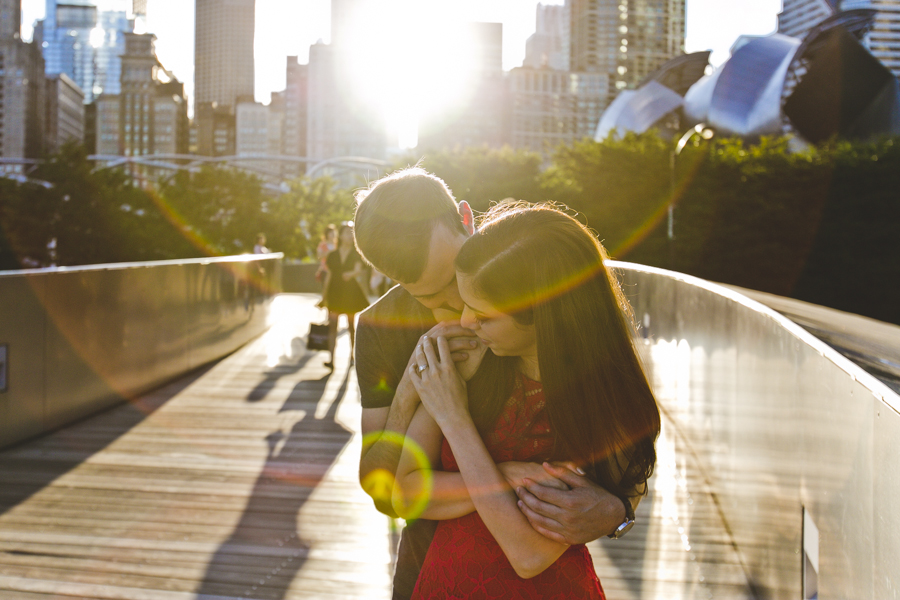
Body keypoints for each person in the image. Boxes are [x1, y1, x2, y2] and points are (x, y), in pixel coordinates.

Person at [353, 168, 640, 600]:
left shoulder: (528, 274)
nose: (460, 309)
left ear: (467, 220)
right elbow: (386, 490)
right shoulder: (381, 328)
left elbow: (616, 438)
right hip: (431, 564)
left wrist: (618, 510)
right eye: (431, 298)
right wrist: (414, 391)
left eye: (457, 278)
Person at [321, 224, 369, 369]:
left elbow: (359, 270)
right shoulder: (332, 255)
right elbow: (328, 276)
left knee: (351, 327)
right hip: (334, 292)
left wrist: (351, 274)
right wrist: (323, 297)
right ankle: (331, 359)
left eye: (351, 233)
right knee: (332, 327)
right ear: (340, 236)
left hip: (350, 293)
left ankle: (352, 357)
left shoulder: (356, 254)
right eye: (347, 233)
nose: (349, 236)